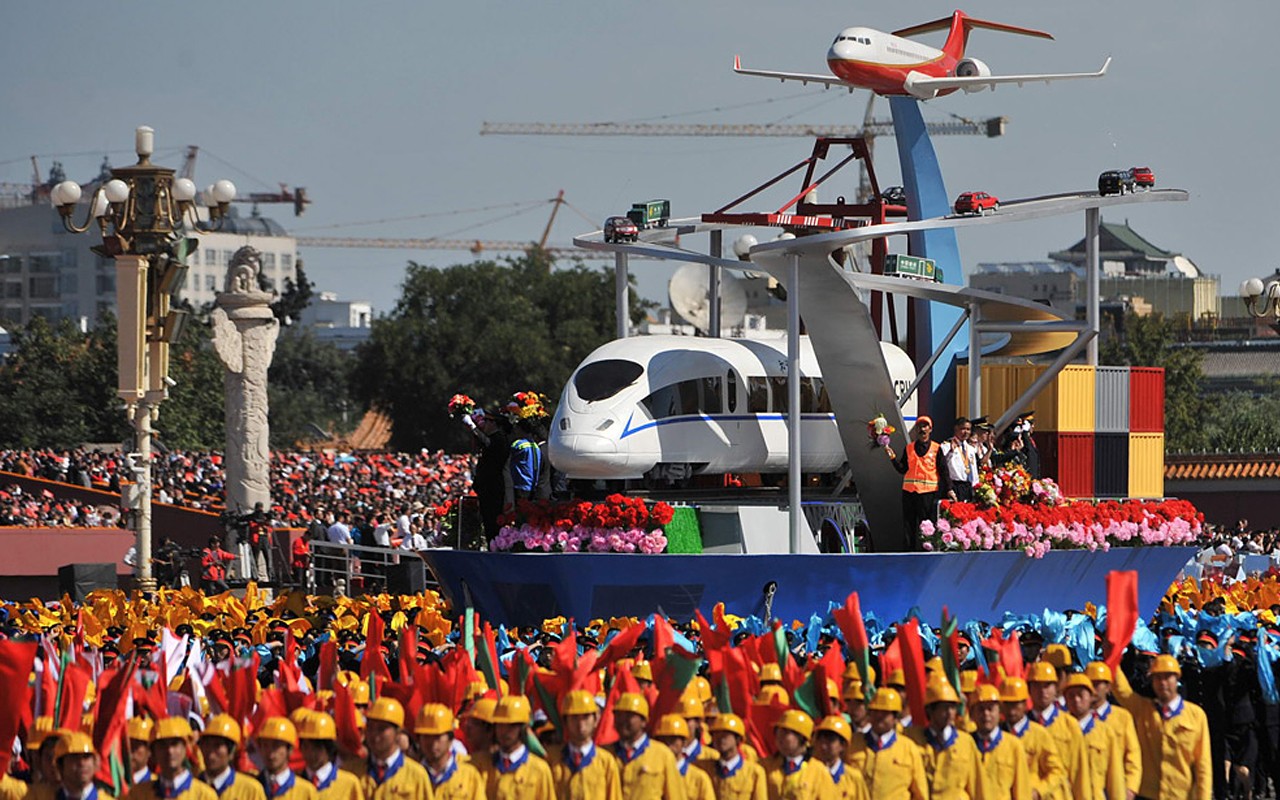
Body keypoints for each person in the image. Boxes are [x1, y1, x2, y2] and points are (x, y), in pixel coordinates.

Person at [1111, 654, 1212, 800]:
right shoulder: (1143, 709)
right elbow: (1122, 691)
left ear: (1177, 679)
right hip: (1146, 795)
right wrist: (1112, 656)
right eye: (1157, 677)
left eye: (1167, 677)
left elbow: (1203, 765)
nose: (1162, 682)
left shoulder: (1196, 715)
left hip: (1180, 795)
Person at [903, 679, 989, 799]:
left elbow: (977, 786)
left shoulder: (965, 742)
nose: (949, 713)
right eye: (943, 708)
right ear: (930, 710)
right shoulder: (913, 738)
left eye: (952, 708)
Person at [1026, 661, 1092, 799]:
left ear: (1056, 688)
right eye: (1037, 686)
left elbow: (1079, 774)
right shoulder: (1021, 726)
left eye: (1047, 685)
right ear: (1029, 689)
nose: (1042, 691)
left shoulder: (1070, 725)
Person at [884, 416, 951, 551]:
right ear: (916, 430)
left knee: (926, 525)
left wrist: (949, 489)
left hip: (928, 493)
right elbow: (902, 469)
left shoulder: (937, 448)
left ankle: (926, 551)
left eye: (925, 426)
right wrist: (893, 458)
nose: (922, 429)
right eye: (920, 426)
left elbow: (944, 471)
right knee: (908, 525)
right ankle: (908, 553)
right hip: (909, 492)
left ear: (930, 429)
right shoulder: (909, 448)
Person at [999, 677, 1066, 800]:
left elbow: (1057, 771)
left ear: (1025, 704)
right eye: (1007, 704)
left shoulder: (1039, 734)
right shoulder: (998, 735)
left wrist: (1039, 791)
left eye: (1016, 704)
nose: (1012, 709)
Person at [1084, 661, 1142, 799]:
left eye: (1097, 684)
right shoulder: (1075, 718)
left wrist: (1131, 788)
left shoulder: (1122, 717)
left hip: (1117, 789)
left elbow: (1133, 755)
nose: (1093, 688)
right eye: (1089, 684)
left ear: (1108, 687)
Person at [1061, 674, 1125, 800]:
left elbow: (1115, 777)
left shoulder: (1105, 732)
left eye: (1081, 695)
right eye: (1071, 696)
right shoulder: (1058, 730)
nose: (1076, 700)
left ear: (1090, 697)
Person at [610, 693, 684, 799]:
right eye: (619, 715)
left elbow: (675, 796)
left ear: (644, 721)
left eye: (629, 716)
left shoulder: (662, 755)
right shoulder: (604, 755)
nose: (622, 720)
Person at [550, 689, 621, 800]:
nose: (580, 724)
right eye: (574, 718)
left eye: (586, 717)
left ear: (596, 719)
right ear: (565, 721)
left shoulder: (606, 762)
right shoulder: (552, 760)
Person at [129, 717, 218, 800]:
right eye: (162, 745)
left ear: (185, 748)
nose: (169, 751)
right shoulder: (137, 794)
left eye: (175, 744)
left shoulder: (204, 795)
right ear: (153, 752)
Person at [360, 698, 432, 800]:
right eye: (370, 727)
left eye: (381, 729)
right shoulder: (353, 770)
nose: (374, 734)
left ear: (398, 732)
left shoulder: (416, 775)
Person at [968, 684, 1030, 800]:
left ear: (999, 712)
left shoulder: (1014, 746)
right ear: (972, 714)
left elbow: (1022, 792)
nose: (986, 714)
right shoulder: (966, 745)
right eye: (981, 709)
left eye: (990, 709)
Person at [412, 704, 485, 799]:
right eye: (426, 737)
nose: (432, 743)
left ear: (450, 739)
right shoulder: (410, 776)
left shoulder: (469, 776)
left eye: (437, 737)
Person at [490, 696, 555, 799]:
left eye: (511, 725)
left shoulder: (539, 769)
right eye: (500, 725)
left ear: (523, 728)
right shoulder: (484, 765)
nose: (504, 731)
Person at [464, 409, 512, 545]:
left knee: (493, 523)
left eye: (488, 421)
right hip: (487, 488)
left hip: (493, 488)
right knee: (488, 523)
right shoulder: (493, 439)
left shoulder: (500, 439)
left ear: (494, 423)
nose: (485, 424)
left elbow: (487, 442)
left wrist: (473, 427)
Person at [761, 709, 828, 800]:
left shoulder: (818, 771)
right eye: (778, 731)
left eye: (785, 732)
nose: (779, 737)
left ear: (802, 738)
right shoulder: (765, 766)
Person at [296, 712, 364, 800]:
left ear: (329, 747)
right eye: (306, 746)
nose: (310, 752)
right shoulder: (293, 784)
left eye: (317, 747)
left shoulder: (349, 784)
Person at [199, 714, 266, 800]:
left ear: (231, 751)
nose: (211, 753)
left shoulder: (250, 790)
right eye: (207, 745)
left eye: (217, 746)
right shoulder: (191, 789)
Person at [705, 714, 768, 800]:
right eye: (716, 735)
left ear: (738, 739)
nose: (720, 739)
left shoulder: (754, 772)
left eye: (725, 735)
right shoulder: (706, 769)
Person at [653, 714, 714, 800]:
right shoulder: (651, 774)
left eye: (673, 739)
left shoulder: (699, 778)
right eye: (662, 739)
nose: (667, 744)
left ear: (684, 742)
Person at [256, 718, 317, 800]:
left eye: (276, 746)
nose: (270, 752)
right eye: (265, 745)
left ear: (290, 750)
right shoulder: (250, 787)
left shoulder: (306, 791)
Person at [810, 716, 869, 799]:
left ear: (843, 745)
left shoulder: (853, 778)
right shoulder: (807, 774)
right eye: (820, 739)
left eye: (830, 740)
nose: (823, 745)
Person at [54, 733, 116, 800]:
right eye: (74, 757)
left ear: (95, 764)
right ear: (60, 766)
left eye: (86, 757)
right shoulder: (46, 796)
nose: (82, 763)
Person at [939, 417, 980, 502]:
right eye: (963, 429)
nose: (966, 432)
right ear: (956, 429)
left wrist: (976, 486)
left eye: (968, 429)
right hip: (955, 485)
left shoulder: (971, 449)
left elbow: (974, 470)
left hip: (968, 486)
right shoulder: (946, 446)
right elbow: (942, 466)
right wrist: (951, 451)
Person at [508, 418, 543, 503]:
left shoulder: (518, 444)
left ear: (520, 429)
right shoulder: (535, 446)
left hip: (520, 484)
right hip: (532, 485)